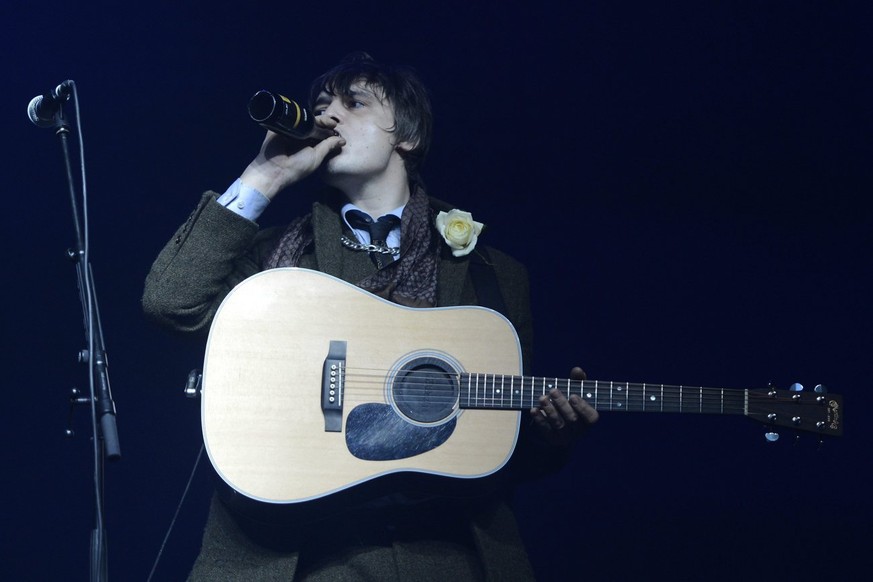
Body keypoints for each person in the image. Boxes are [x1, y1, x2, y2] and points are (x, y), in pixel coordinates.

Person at [143, 52, 598, 581]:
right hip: (302, 556)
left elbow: (494, 450)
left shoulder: (493, 275)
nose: (328, 117)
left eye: (353, 103)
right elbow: (169, 302)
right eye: (322, 106)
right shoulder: (275, 262)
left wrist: (549, 437)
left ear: (405, 136)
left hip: (449, 556)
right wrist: (263, 178)